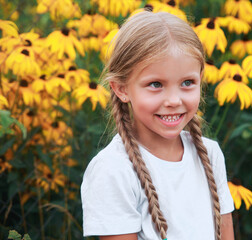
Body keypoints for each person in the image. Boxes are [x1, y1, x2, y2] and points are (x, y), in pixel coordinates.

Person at [81, 11, 235, 240]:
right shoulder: (113, 171)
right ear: (121, 88)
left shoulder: (210, 155)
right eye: (155, 84)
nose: (174, 100)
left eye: (187, 83)